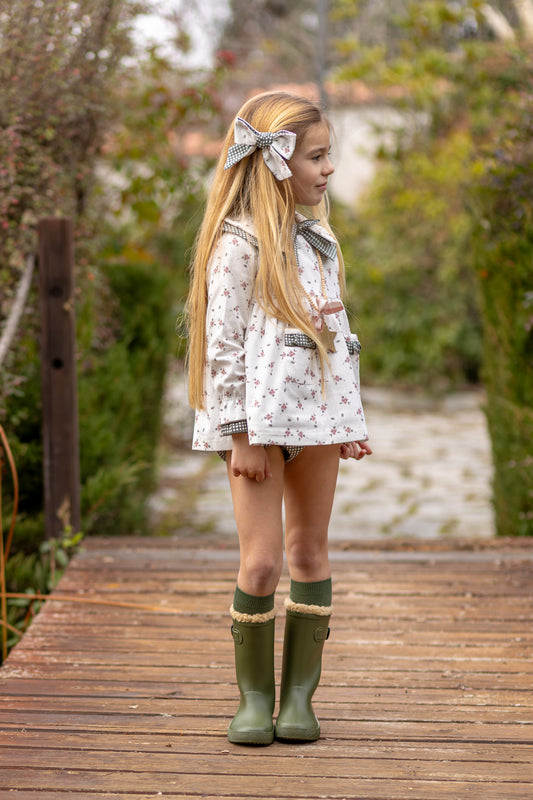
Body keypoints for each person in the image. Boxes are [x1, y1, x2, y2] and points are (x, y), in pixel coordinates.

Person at [186, 90, 372, 746]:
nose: (329, 169)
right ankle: (253, 699)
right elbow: (222, 348)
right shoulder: (237, 244)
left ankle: (297, 699)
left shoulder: (319, 239)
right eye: (317, 157)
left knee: (309, 550)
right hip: (257, 430)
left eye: (328, 156)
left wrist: (349, 420)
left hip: (315, 419)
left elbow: (336, 337)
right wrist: (239, 436)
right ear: (275, 162)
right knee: (262, 563)